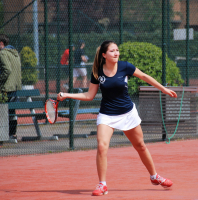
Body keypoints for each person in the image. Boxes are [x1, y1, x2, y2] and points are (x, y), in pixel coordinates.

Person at [57, 40, 177, 196]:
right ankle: (102, 185)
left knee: (140, 145)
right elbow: (89, 95)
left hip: (128, 113)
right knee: (102, 146)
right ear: (104, 55)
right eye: (112, 51)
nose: (116, 53)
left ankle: (154, 176)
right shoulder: (97, 72)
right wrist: (67, 95)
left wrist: (164, 89)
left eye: (117, 50)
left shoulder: (125, 66)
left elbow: (144, 76)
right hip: (107, 114)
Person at [0, 34, 22, 140]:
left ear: (1, 43)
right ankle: (12, 133)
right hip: (15, 86)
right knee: (12, 111)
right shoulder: (15, 53)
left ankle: (5, 134)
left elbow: (7, 70)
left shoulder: (3, 54)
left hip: (6, 87)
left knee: (4, 111)